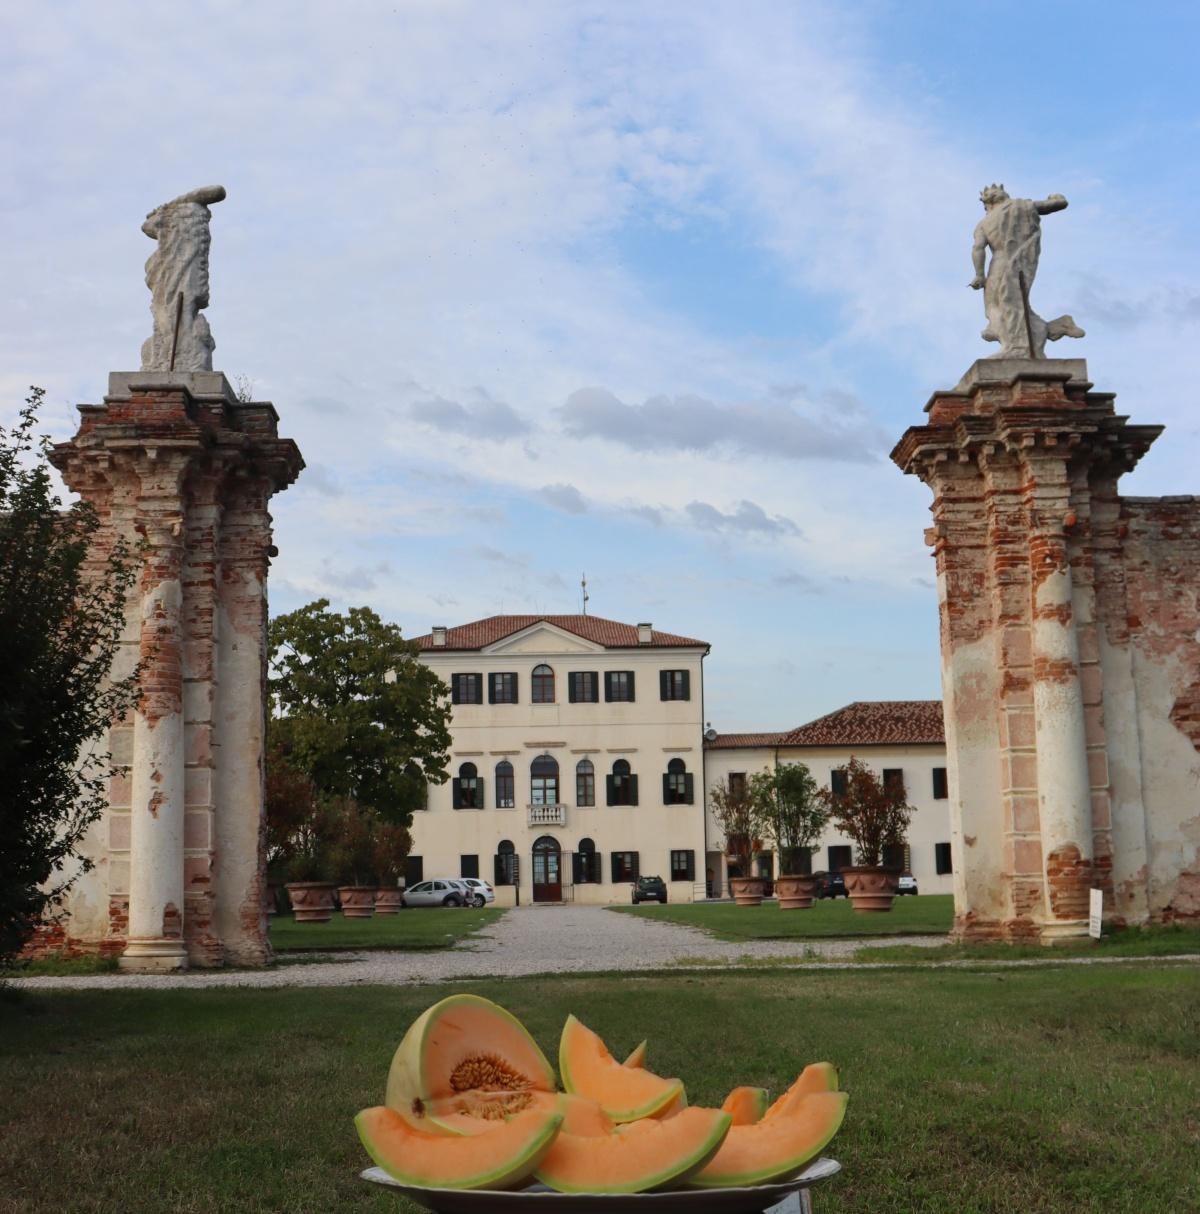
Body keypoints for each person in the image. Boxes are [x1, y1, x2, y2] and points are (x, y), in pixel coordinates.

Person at [969, 184, 1083, 358]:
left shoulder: (985, 223)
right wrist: (1057, 197)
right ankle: (1056, 327)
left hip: (1000, 264)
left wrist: (979, 275)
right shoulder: (1024, 205)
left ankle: (1017, 347)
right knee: (1014, 304)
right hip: (1024, 259)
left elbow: (978, 248)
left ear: (987, 205)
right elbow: (1057, 204)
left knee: (1001, 306)